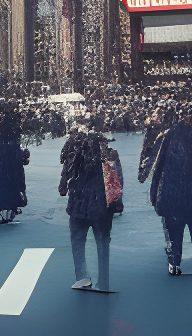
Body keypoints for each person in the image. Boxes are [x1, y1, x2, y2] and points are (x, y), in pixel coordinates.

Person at [148, 103, 192, 275]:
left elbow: (159, 165)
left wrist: (154, 194)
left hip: (173, 193)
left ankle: (174, 263)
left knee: (173, 233)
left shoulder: (169, 137)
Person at [60, 123, 122, 291]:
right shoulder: (109, 155)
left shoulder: (75, 154)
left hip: (79, 205)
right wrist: (117, 204)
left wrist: (64, 188)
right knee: (102, 241)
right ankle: (104, 279)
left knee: (78, 241)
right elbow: (116, 182)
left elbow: (66, 176)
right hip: (100, 206)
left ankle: (82, 277)